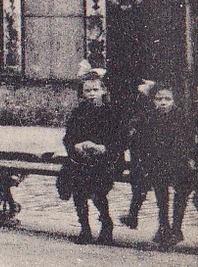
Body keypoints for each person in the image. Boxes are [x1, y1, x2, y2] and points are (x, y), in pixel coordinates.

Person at [61, 70, 127, 244]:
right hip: (83, 158)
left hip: (108, 158)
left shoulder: (112, 112)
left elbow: (122, 139)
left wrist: (103, 148)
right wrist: (76, 145)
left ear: (103, 91)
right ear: (82, 93)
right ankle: (85, 227)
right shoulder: (78, 113)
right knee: (78, 186)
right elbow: (68, 137)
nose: (91, 94)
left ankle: (106, 223)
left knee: (97, 186)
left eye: (95, 90)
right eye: (87, 91)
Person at [129, 82, 191, 249]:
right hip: (158, 164)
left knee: (182, 190)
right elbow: (142, 142)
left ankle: (176, 228)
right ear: (153, 101)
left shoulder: (180, 117)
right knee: (160, 191)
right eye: (159, 99)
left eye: (167, 99)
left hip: (179, 163)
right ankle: (163, 226)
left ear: (174, 101)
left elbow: (185, 142)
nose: (163, 103)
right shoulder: (150, 117)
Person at [123, 79, 158, 230]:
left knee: (141, 177)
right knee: (139, 175)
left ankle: (133, 214)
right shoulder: (140, 100)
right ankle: (133, 214)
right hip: (141, 145)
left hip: (153, 145)